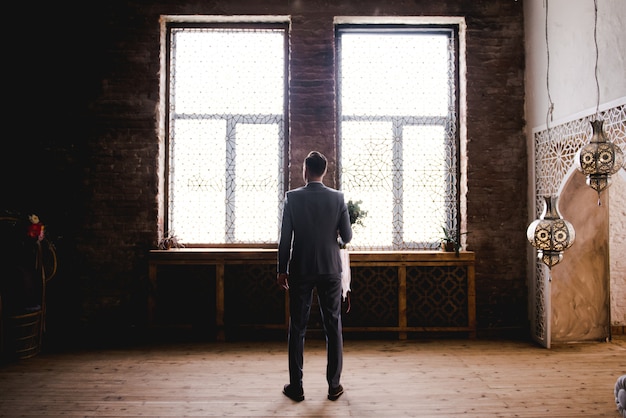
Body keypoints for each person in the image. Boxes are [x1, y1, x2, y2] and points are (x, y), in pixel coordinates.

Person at [277, 151, 353, 402]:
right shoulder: (338, 198)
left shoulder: (292, 198)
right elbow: (347, 237)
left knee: (297, 327)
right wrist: (334, 240)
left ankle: (296, 387)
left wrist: (281, 269)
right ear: (325, 170)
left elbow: (285, 239)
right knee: (333, 326)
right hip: (331, 268)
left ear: (305, 170)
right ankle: (334, 386)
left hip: (300, 268)